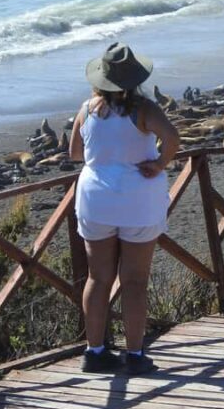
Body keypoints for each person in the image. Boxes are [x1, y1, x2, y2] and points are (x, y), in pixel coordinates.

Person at [69, 42, 180, 374]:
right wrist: (159, 163)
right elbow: (172, 138)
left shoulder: (87, 108)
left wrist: (105, 155)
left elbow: (75, 153)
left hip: (95, 199)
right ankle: (134, 355)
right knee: (134, 281)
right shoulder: (144, 109)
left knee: (97, 277)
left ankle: (94, 352)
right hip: (138, 200)